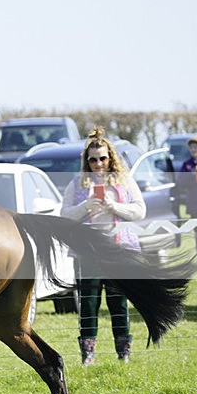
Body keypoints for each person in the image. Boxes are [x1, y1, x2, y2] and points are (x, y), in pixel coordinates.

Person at [60, 128, 146, 365]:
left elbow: (140, 210)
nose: (99, 163)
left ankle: (124, 353)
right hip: (88, 251)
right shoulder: (77, 184)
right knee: (88, 303)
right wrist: (86, 206)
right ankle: (88, 355)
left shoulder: (125, 182)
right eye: (93, 159)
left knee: (118, 302)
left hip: (120, 250)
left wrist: (114, 206)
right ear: (86, 161)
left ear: (111, 158)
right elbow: (65, 214)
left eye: (103, 158)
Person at [178, 135, 197, 267]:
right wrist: (193, 175)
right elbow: (181, 183)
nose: (193, 150)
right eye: (191, 147)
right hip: (195, 206)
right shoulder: (187, 165)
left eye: (195, 147)